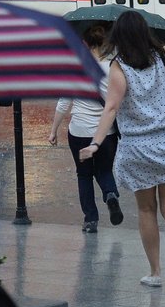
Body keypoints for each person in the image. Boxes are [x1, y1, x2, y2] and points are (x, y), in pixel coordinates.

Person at [79, 10, 165, 287]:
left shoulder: (119, 67)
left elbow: (111, 108)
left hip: (137, 148)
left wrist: (95, 143)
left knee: (147, 210)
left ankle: (156, 272)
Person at [48, 24, 122, 234]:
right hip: (106, 133)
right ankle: (110, 194)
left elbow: (63, 103)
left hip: (79, 131)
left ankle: (90, 220)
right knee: (105, 170)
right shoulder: (114, 68)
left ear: (85, 44)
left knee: (84, 175)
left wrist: (53, 130)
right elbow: (120, 102)